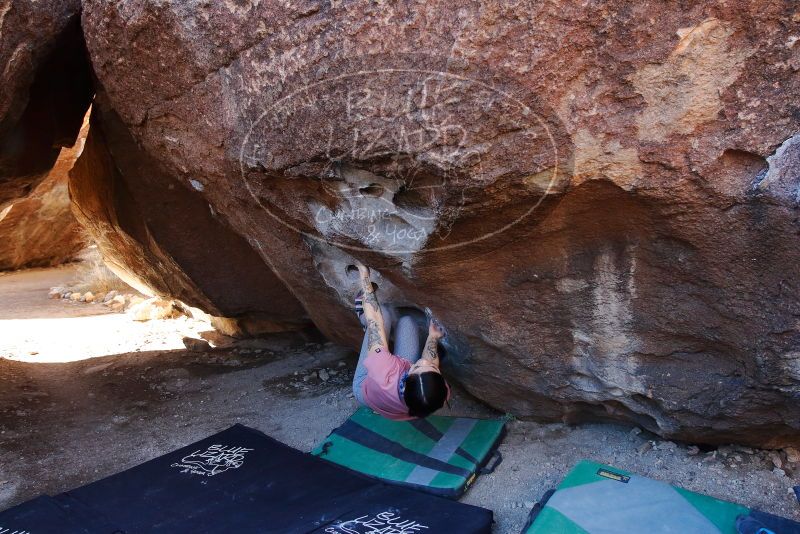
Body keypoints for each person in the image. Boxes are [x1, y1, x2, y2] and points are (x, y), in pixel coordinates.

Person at [351, 263, 450, 420]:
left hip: (366, 388)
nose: (424, 362)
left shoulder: (383, 372)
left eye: (417, 366)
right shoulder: (436, 395)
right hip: (399, 396)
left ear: (407, 377)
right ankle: (386, 345)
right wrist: (432, 336)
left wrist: (364, 274)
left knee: (383, 315)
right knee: (407, 322)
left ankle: (362, 315)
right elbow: (427, 362)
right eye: (433, 368)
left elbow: (374, 321)